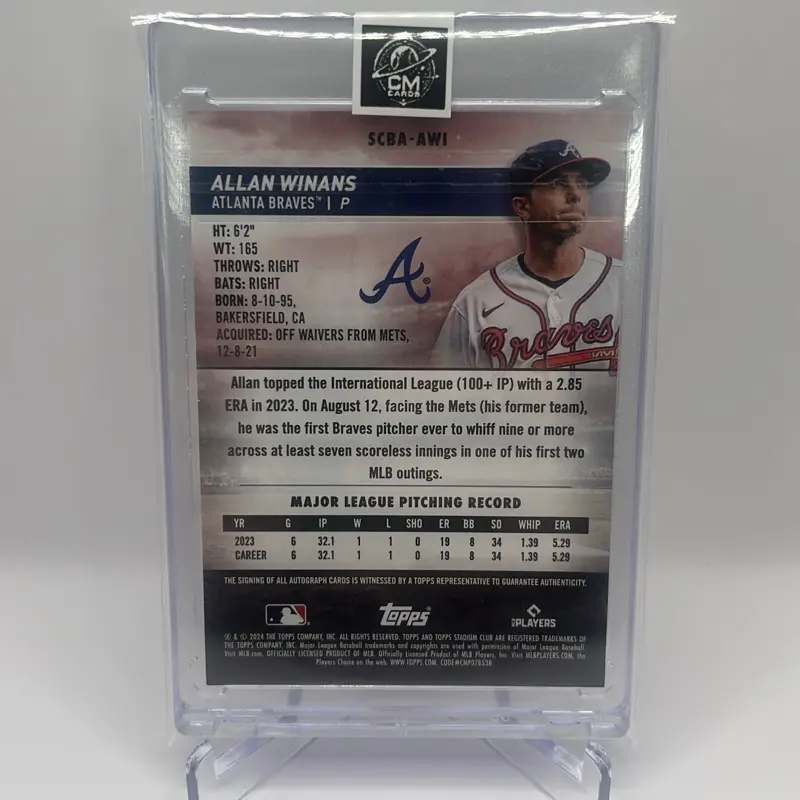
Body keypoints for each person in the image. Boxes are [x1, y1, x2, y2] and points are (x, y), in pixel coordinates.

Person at [431, 139, 621, 371]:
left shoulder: (625, 285)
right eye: (559, 184)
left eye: (581, 184)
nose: (575, 195)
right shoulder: (476, 302)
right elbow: (444, 390)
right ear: (523, 206)